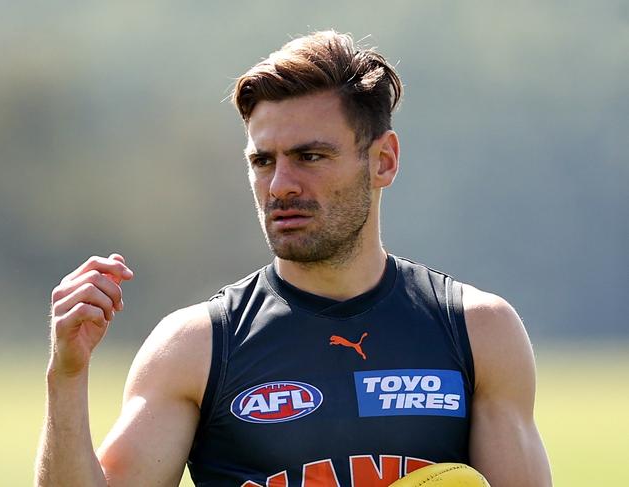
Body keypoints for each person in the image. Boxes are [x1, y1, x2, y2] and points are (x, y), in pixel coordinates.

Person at [35, 31, 552, 487]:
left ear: (384, 161)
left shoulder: (478, 333)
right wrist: (66, 376)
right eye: (263, 161)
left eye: (310, 157)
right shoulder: (197, 347)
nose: (280, 185)